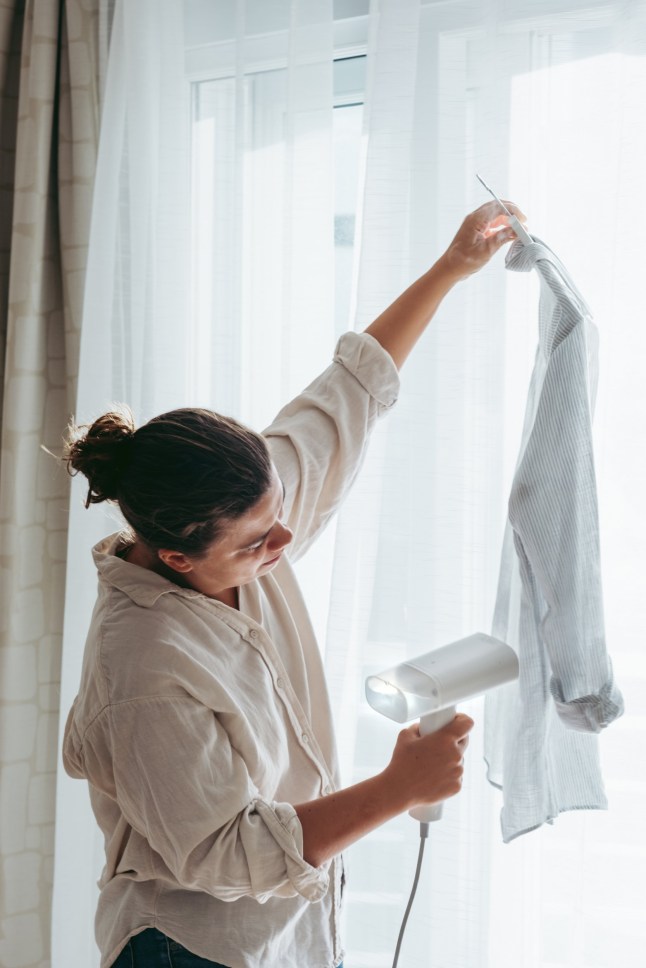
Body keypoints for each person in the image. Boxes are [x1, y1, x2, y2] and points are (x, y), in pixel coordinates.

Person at [62, 201, 525, 968]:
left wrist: (451, 267)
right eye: (258, 541)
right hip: (190, 948)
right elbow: (225, 850)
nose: (285, 542)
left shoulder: (245, 516)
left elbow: (348, 395)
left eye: (280, 514)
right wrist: (397, 788)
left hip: (288, 935)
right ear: (177, 558)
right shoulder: (142, 668)